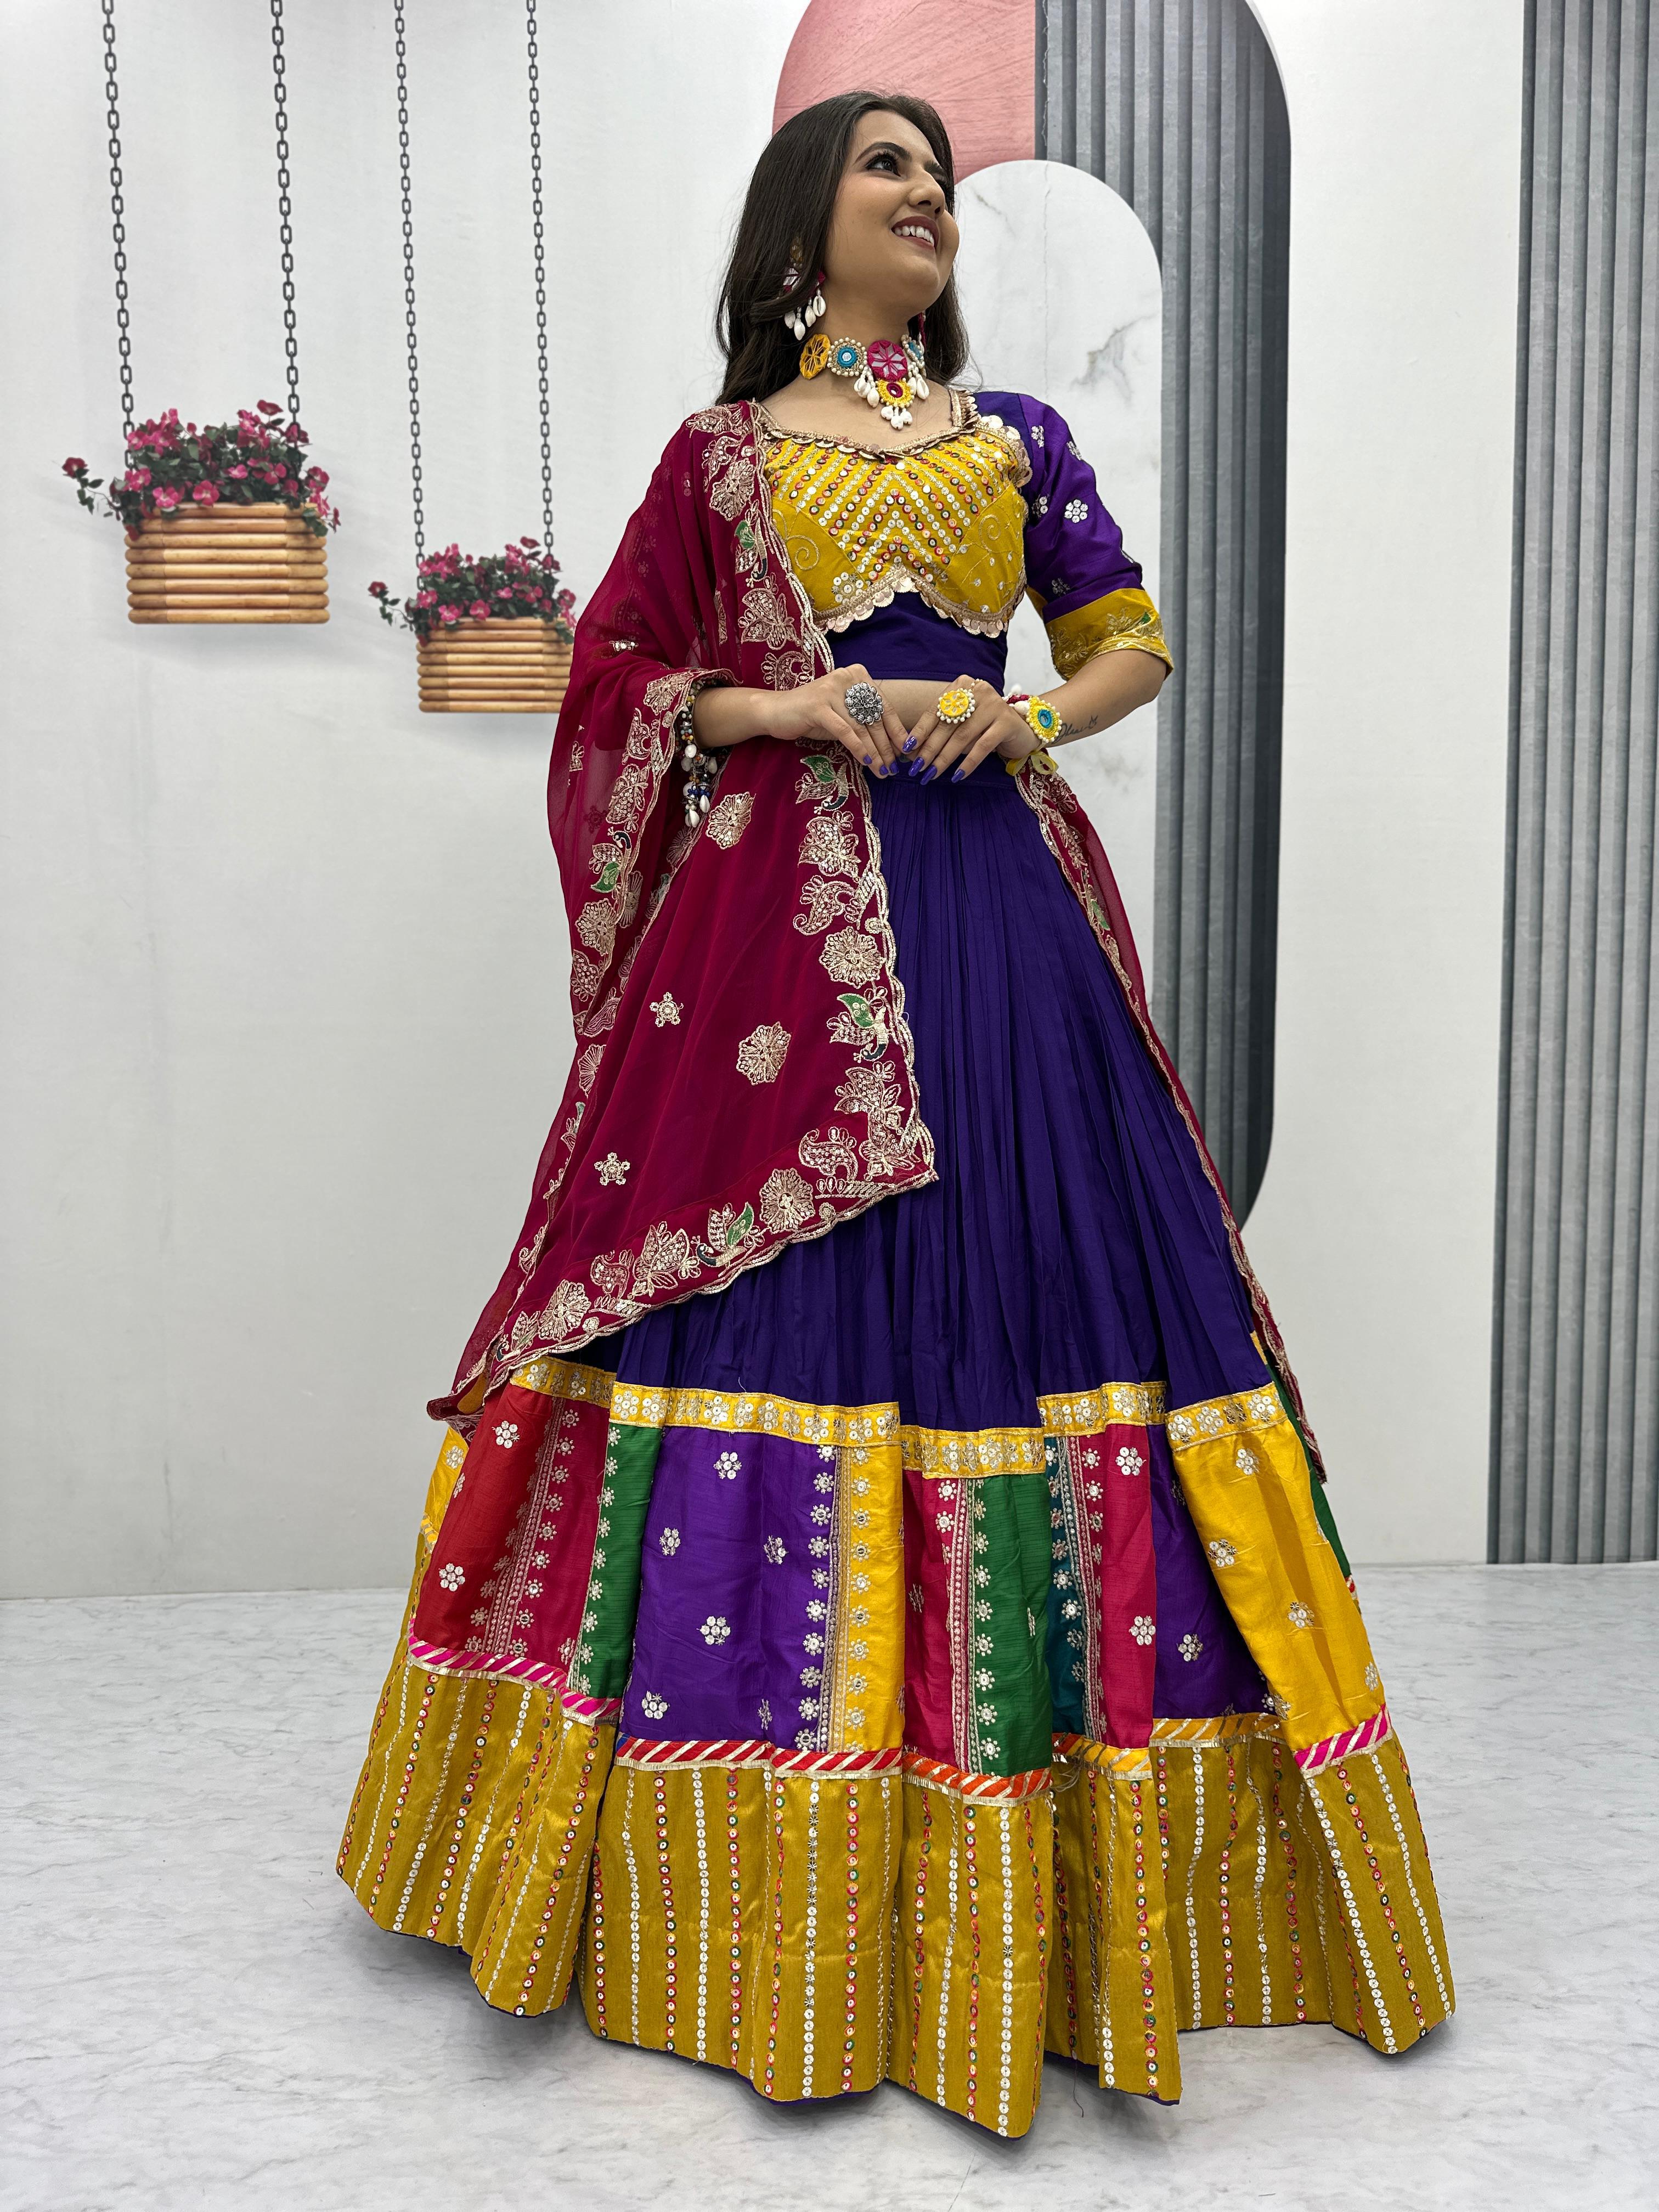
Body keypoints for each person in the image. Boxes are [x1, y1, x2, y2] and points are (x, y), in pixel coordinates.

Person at [338, 91, 1452, 2137]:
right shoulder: (722, 457)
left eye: (937, 179)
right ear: (800, 228)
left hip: (997, 915)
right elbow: (624, 677)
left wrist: (1015, 711)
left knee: (1043, 1288)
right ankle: (713, 1876)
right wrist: (787, 707)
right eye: (887, 169)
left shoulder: (1014, 435)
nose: (927, 197)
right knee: (784, 1301)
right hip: (777, 940)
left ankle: (1065, 1855)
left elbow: (1127, 643)